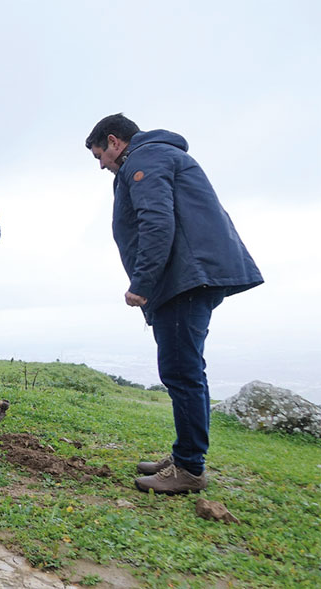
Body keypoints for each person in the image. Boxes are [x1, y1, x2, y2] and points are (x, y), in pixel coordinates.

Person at [86, 113, 263, 494]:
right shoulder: (159, 157)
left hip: (184, 279)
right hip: (190, 275)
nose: (101, 164)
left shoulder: (146, 160)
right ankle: (185, 454)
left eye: (100, 154)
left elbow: (157, 222)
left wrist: (142, 283)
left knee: (181, 371)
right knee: (184, 367)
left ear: (115, 142)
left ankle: (189, 468)